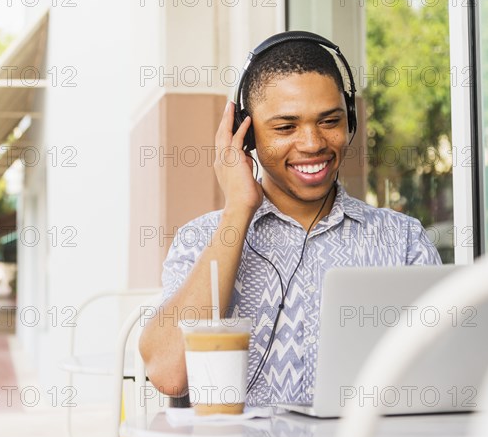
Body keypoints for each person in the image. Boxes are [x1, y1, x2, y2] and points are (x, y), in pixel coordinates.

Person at [139, 32, 442, 407]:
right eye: (286, 127)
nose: (313, 143)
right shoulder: (200, 238)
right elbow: (169, 374)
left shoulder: (403, 240)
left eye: (330, 121)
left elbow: (441, 377)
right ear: (244, 137)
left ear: (350, 121)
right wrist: (238, 210)